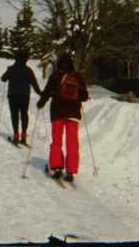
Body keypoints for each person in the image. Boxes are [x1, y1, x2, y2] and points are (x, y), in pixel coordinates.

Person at [36, 53, 89, 182]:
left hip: (57, 113)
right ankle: (71, 171)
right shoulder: (77, 77)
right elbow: (85, 96)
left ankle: (57, 168)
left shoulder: (55, 76)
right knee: (72, 142)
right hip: (73, 114)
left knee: (57, 141)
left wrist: (41, 103)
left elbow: (47, 92)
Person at [1, 50, 41, 146]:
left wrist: (8, 72)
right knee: (24, 114)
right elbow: (34, 84)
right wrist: (41, 94)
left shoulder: (11, 69)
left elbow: (3, 79)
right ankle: (23, 135)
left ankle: (15, 135)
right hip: (25, 95)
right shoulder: (28, 70)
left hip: (13, 95)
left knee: (14, 115)